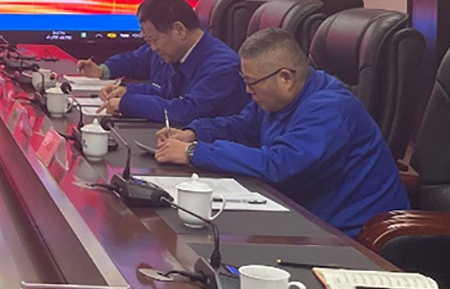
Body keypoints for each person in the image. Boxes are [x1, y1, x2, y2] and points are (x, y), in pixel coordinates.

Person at [155, 28, 408, 236]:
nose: (247, 91)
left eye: (251, 83)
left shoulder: (330, 108)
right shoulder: (278, 100)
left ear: (286, 78)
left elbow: (280, 164)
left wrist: (194, 152)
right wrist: (194, 133)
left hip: (352, 236)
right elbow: (241, 127)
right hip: (302, 217)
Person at [75, 0, 245, 124]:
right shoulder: (179, 51)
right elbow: (168, 94)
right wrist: (129, 91)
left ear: (179, 30)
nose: (153, 48)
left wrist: (127, 104)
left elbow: (187, 111)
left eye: (154, 40)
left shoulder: (222, 67)